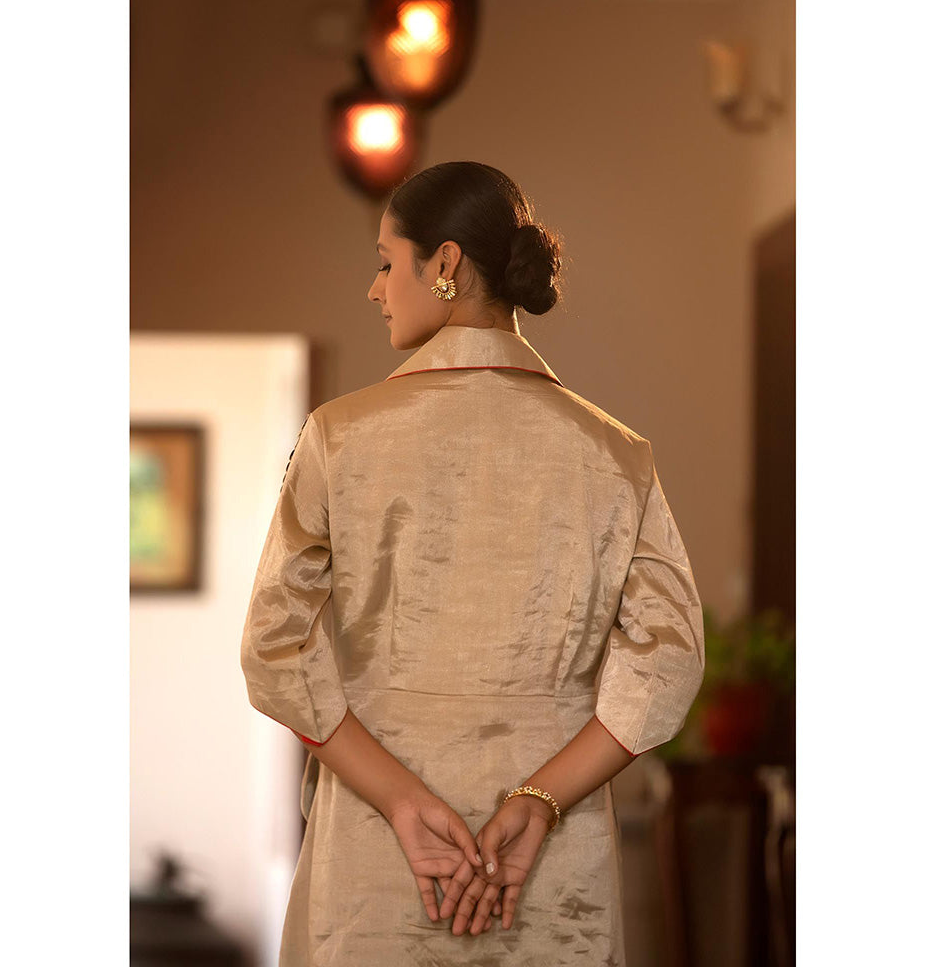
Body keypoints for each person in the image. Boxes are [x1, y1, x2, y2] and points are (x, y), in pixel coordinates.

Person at [239, 161, 705, 966]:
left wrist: (401, 800)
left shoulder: (339, 438)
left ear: (445, 263)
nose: (375, 289)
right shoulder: (616, 454)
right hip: (547, 867)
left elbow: (275, 648)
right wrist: (540, 801)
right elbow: (668, 661)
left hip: (379, 854)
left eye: (387, 262)